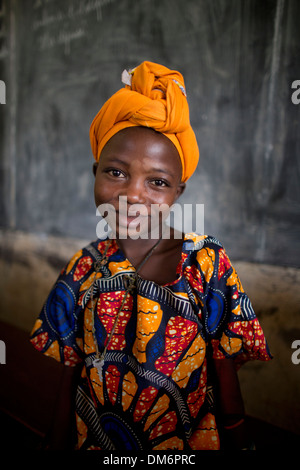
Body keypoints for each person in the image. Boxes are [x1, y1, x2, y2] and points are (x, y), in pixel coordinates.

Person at [30, 61, 272, 451]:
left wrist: (238, 438)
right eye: (116, 172)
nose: (134, 195)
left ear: (179, 190)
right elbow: (69, 377)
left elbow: (225, 370)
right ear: (95, 172)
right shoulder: (84, 267)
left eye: (157, 182)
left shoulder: (205, 262)